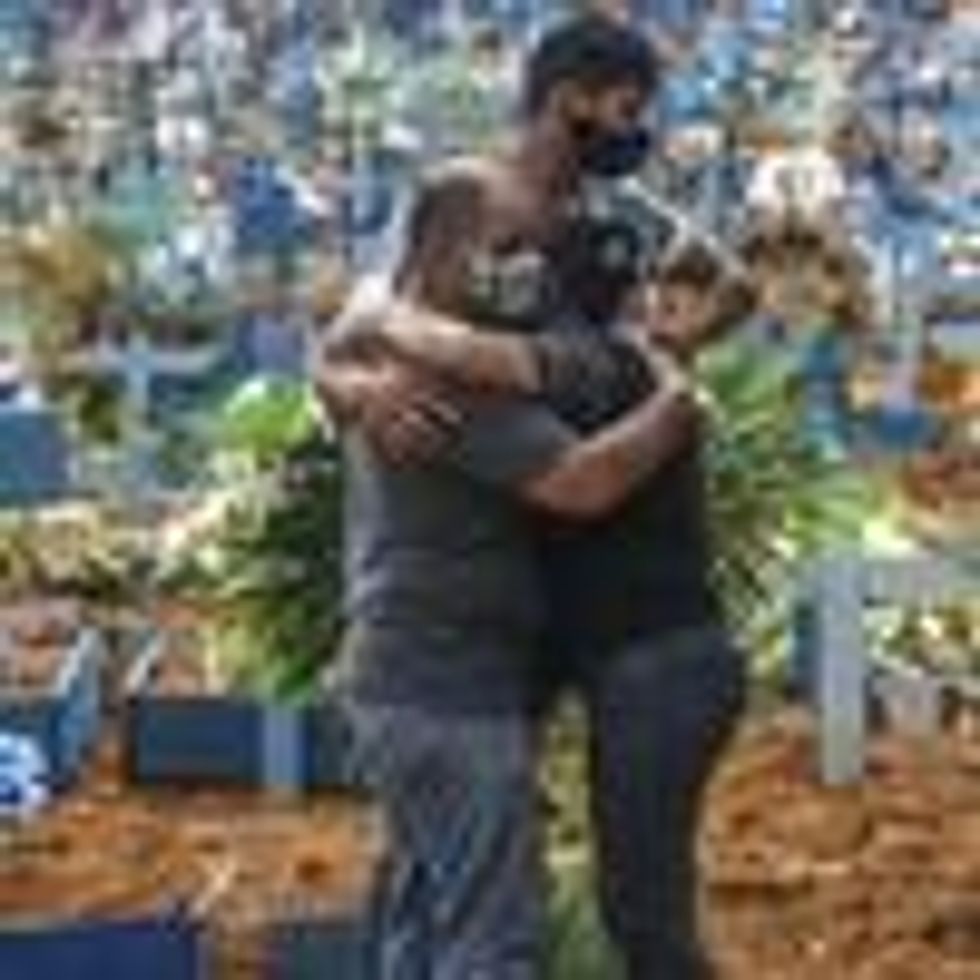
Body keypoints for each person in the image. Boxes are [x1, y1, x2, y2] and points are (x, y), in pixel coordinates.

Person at [316, 15, 747, 979]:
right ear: (570, 97)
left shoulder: (589, 332)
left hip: (539, 659)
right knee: (485, 920)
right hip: (464, 667)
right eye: (628, 109)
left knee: (466, 904)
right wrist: (362, 372)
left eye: (534, 251)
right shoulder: (482, 304)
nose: (519, 260)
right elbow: (371, 339)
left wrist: (672, 369)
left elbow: (728, 283)